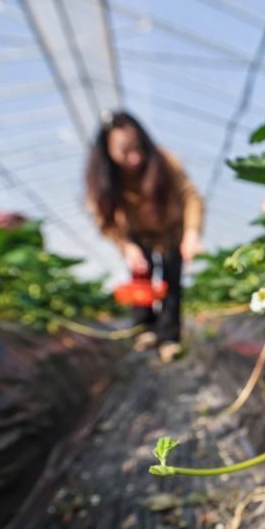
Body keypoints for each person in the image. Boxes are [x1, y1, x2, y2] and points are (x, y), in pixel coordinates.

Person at [85, 111, 204, 361]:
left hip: (172, 232)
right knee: (142, 279)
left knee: (172, 281)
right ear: (107, 151)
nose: (135, 157)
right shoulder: (104, 178)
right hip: (138, 236)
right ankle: (145, 329)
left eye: (138, 147)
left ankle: (170, 337)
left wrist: (191, 234)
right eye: (124, 151)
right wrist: (126, 245)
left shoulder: (164, 161)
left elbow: (191, 196)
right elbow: (103, 216)